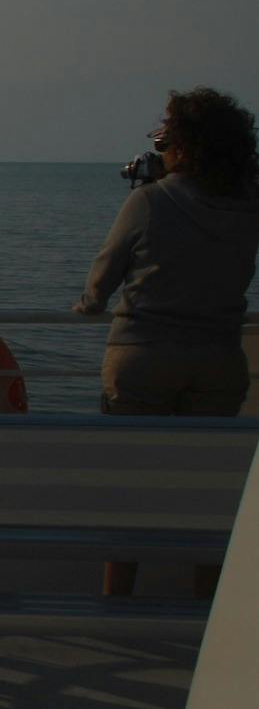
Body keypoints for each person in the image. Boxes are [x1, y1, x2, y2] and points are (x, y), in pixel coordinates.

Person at [75, 86, 259, 596]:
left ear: (180, 144)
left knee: (128, 482)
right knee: (208, 485)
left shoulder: (149, 201)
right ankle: (206, 602)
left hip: (142, 356)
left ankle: (117, 596)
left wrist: (89, 305)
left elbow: (103, 276)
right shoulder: (250, 204)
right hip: (218, 359)